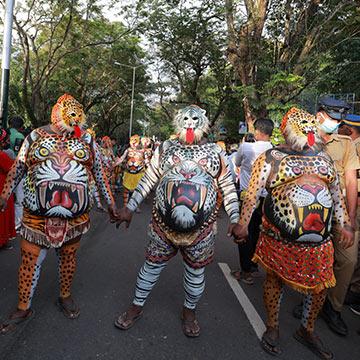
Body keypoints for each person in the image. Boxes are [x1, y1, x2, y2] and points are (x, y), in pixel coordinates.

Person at [234, 107, 354, 359]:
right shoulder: (270, 157)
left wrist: (345, 224)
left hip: (319, 242)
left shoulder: (325, 159)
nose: (308, 131)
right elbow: (252, 194)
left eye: (311, 126)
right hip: (278, 238)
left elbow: (335, 194)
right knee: (274, 281)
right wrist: (243, 224)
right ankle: (273, 326)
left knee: (320, 286)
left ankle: (307, 330)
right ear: (287, 132)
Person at [114, 105, 240, 337]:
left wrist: (235, 217)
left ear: (203, 123)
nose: (190, 122)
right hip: (162, 227)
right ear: (178, 121)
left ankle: (189, 312)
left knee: (195, 274)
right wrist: (130, 207)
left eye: (195, 118)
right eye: (185, 118)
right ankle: (136, 306)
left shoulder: (215, 151)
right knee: (151, 267)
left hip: (201, 231)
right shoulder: (165, 148)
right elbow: (149, 178)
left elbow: (228, 186)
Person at [0, 94, 117, 334]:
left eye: (77, 114)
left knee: (68, 259)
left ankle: (65, 296)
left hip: (75, 217)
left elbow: (99, 173)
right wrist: (4, 196)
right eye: (69, 113)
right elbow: (18, 168)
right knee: (30, 261)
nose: (74, 119)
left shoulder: (86, 139)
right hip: (36, 216)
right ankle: (24, 306)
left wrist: (112, 204)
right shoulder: (35, 136)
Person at [293, 97, 360, 336]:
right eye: (333, 117)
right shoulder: (302, 140)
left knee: (348, 260)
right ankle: (310, 300)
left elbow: (352, 181)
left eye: (339, 118)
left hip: (341, 211)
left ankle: (333, 307)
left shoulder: (346, 144)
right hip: (311, 211)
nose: (337, 122)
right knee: (312, 257)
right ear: (319, 114)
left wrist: (350, 220)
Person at [232, 119, 274, 285]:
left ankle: (246, 272)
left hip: (248, 197)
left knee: (243, 232)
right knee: (259, 232)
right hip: (266, 199)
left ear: (257, 131)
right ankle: (255, 266)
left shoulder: (247, 147)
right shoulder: (275, 150)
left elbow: (236, 163)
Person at [338, 114, 360, 315]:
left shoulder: (353, 146)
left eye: (341, 125)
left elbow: (354, 181)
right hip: (341, 206)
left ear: (348, 129)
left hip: (349, 206)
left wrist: (351, 215)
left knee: (348, 256)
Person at [116, 134, 147, 208]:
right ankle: (125, 206)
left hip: (139, 174)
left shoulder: (143, 151)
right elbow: (122, 159)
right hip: (128, 174)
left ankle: (135, 206)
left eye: (135, 141)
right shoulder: (128, 150)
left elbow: (147, 161)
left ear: (139, 142)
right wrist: (114, 164)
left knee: (136, 192)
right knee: (126, 190)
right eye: (131, 141)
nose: (133, 143)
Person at [9, 116, 26, 230]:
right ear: (20, 127)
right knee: (19, 200)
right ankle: (17, 224)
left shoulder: (5, 132)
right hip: (16, 171)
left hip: (4, 170)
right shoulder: (19, 136)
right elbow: (19, 155)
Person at [0, 127, 16, 250]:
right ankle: (2, 240)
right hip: (2, 188)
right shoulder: (2, 156)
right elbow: (13, 169)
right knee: (3, 215)